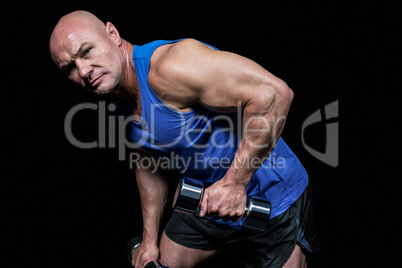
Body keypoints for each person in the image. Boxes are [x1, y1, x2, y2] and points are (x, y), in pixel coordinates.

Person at [49, 10, 319, 268]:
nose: (83, 71)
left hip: (270, 198)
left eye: (86, 51)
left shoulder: (171, 67)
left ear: (112, 33)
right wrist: (149, 241)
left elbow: (274, 94)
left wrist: (234, 183)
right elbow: (148, 162)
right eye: (69, 68)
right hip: (207, 201)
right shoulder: (119, 96)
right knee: (161, 263)